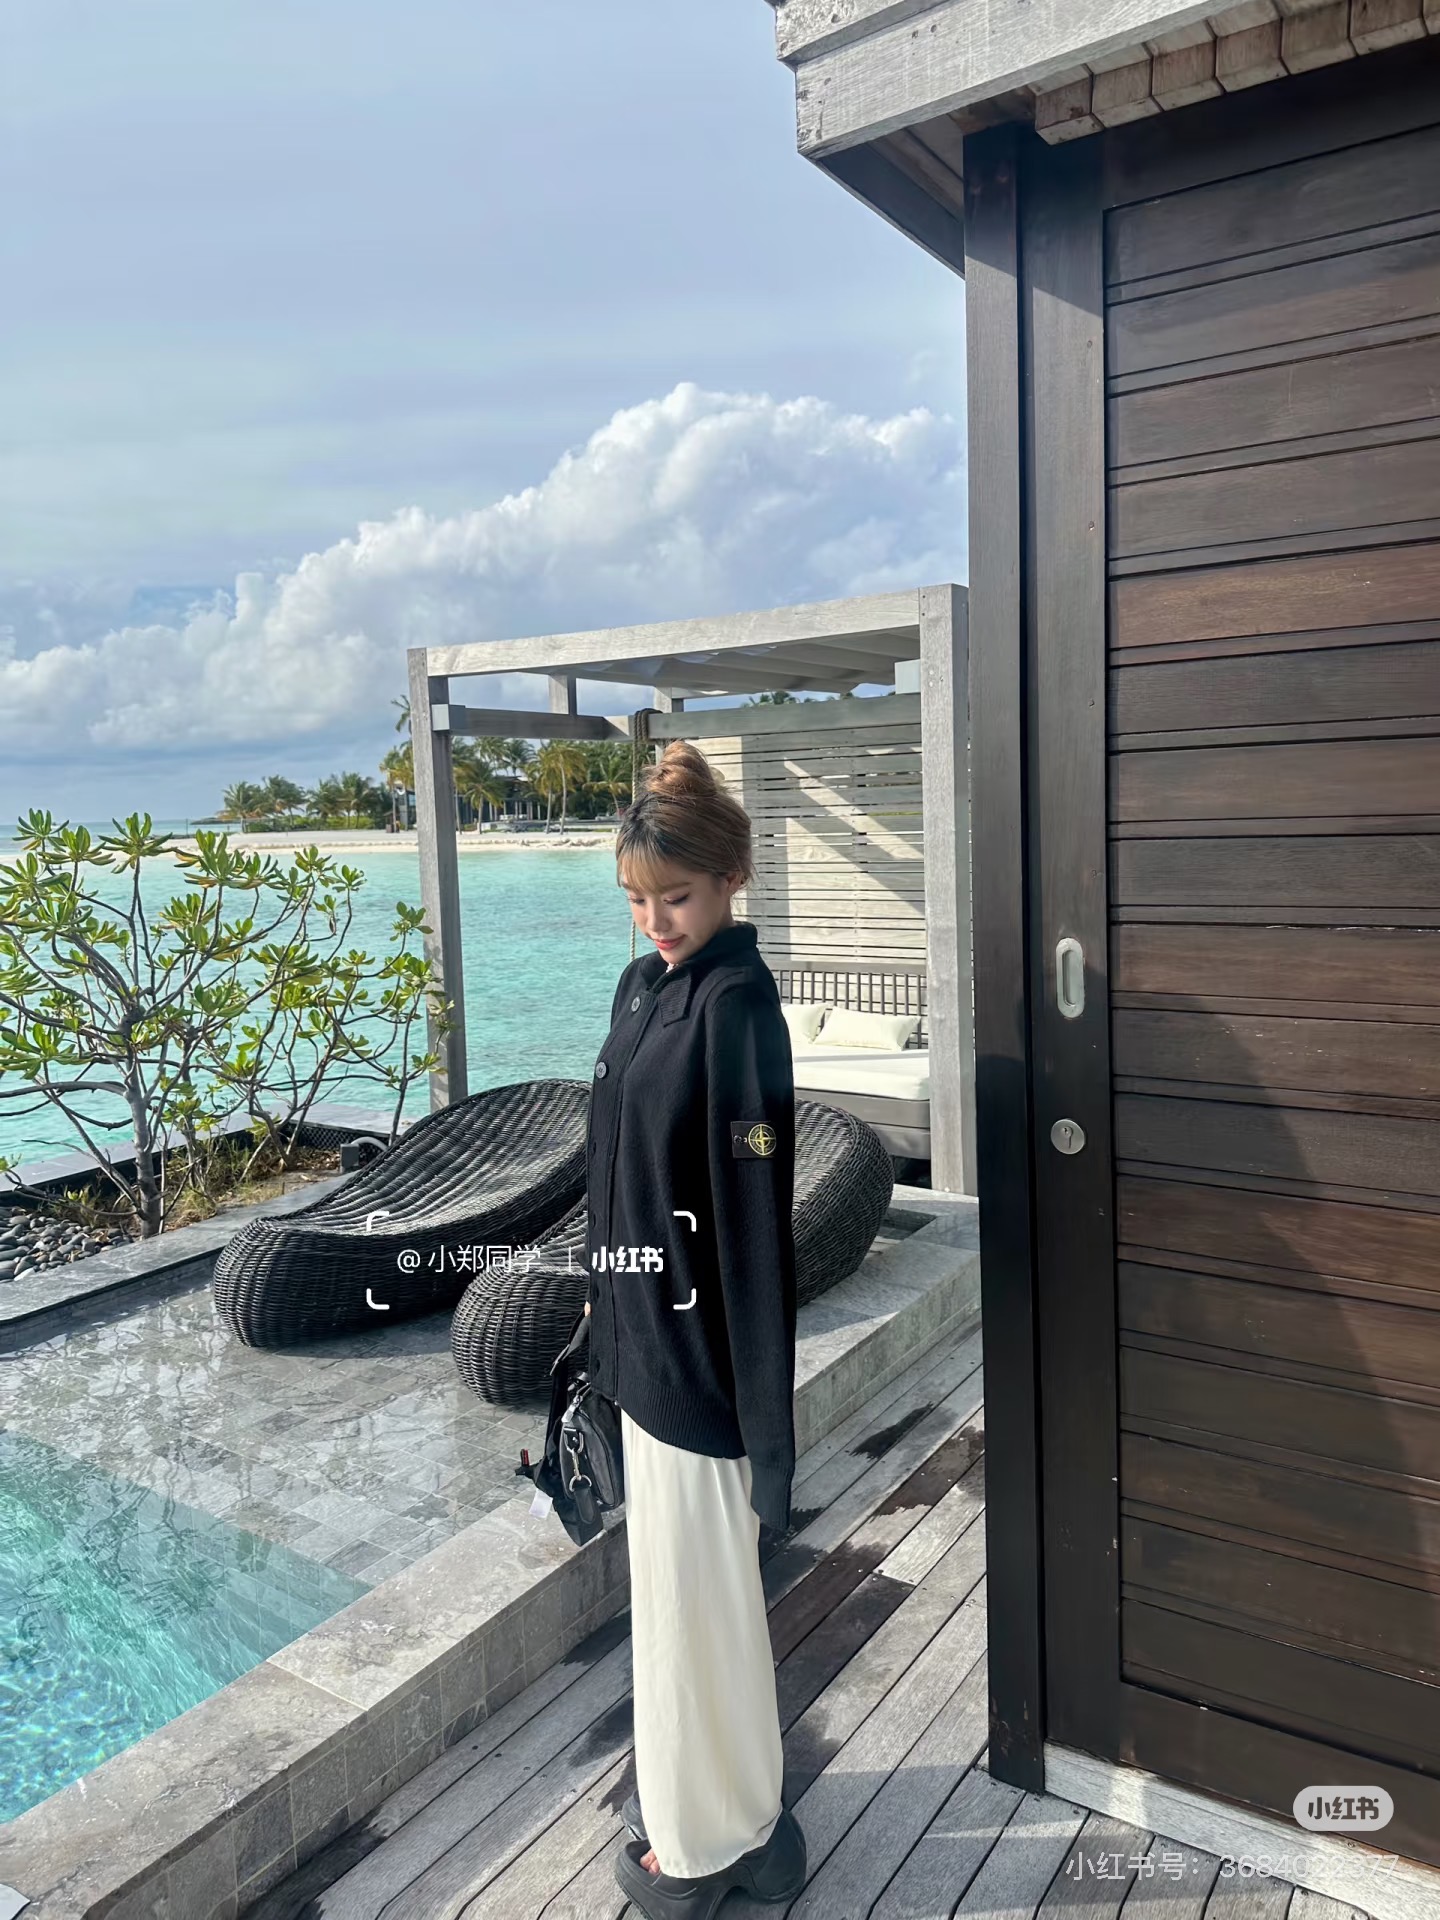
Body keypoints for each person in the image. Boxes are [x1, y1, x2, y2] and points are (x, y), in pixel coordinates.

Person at [584, 740, 808, 1918]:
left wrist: (765, 1425)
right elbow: (613, 1172)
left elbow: (753, 1224)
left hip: (697, 1366)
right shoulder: (643, 989)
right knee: (689, 1605)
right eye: (637, 900)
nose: (655, 921)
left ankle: (698, 1844)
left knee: (692, 1613)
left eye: (673, 897)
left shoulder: (735, 1008)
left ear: (731, 880)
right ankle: (745, 1819)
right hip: (639, 1349)